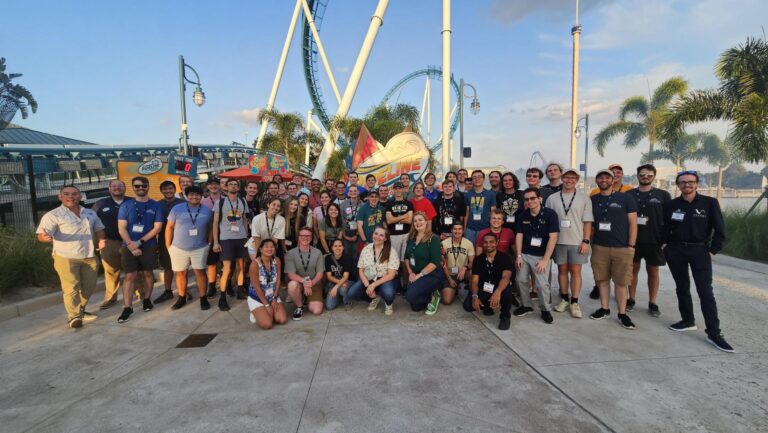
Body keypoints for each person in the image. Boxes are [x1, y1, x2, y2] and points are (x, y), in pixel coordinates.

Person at [663, 170, 732, 352]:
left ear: (697, 184)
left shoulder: (709, 203)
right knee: (682, 286)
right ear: (678, 185)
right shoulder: (671, 205)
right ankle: (687, 320)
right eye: (683, 182)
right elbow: (665, 227)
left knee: (705, 291)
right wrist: (665, 247)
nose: (687, 185)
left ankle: (714, 332)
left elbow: (720, 230)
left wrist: (712, 251)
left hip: (699, 251)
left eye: (690, 182)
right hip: (676, 250)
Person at [36, 186, 106, 328]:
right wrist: (44, 237)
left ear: (80, 196)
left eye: (74, 194)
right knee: (71, 287)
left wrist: (102, 240)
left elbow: (99, 228)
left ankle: (80, 310)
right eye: (66, 194)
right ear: (60, 197)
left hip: (89, 256)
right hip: (65, 257)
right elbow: (41, 235)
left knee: (89, 286)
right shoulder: (52, 215)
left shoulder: (90, 213)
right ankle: (73, 316)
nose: (71, 196)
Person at [588, 169, 638, 330]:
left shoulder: (625, 198)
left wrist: (631, 245)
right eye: (600, 177)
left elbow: (633, 223)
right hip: (600, 246)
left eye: (607, 177)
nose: (603, 180)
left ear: (613, 180)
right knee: (602, 279)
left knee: (621, 282)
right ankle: (604, 308)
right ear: (597, 180)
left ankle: (622, 313)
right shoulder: (593, 199)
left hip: (622, 247)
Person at [545, 168, 593, 319]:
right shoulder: (552, 198)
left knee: (576, 272)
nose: (569, 180)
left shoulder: (584, 199)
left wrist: (585, 241)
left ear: (577, 180)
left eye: (573, 178)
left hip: (577, 241)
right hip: (558, 242)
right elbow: (547, 220)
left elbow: (587, 222)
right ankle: (565, 298)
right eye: (566, 177)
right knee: (562, 271)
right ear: (562, 178)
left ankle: (575, 302)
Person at [116, 176, 164, 323]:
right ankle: (127, 307)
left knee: (148, 274)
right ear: (133, 188)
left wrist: (140, 241)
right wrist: (131, 244)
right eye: (137, 186)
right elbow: (122, 227)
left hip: (148, 245)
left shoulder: (156, 205)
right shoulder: (126, 205)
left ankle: (147, 299)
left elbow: (157, 227)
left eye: (143, 185)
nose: (140, 188)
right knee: (130, 276)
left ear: (148, 186)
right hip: (128, 246)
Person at [629, 164, 671, 316]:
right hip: (633, 240)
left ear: (654, 176)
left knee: (653, 271)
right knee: (632, 270)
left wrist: (665, 240)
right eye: (642, 174)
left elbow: (668, 219)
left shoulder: (663, 195)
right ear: (637, 176)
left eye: (649, 175)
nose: (645, 177)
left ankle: (652, 303)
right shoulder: (630, 194)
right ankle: (631, 299)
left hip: (655, 240)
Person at [514, 188, 559, 324]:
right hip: (525, 254)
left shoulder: (550, 214)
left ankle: (545, 309)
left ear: (540, 199)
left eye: (532, 198)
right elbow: (519, 236)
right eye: (527, 199)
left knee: (542, 284)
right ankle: (526, 305)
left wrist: (545, 260)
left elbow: (553, 238)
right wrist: (519, 256)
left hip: (541, 256)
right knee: (521, 280)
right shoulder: (522, 215)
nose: (530, 201)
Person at [165, 185, 213, 310]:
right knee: (181, 273)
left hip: (200, 247)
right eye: (191, 194)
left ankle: (203, 298)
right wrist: (168, 246)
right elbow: (169, 227)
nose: (194, 197)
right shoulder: (177, 209)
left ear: (201, 196)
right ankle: (181, 297)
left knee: (200, 273)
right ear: (186, 196)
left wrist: (209, 243)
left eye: (197, 195)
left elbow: (211, 228)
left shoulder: (207, 210)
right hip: (178, 248)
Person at [464, 232, 514, 330]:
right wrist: (475, 296)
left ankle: (505, 317)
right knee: (468, 306)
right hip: (484, 288)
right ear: (482, 243)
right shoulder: (478, 259)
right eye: (485, 242)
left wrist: (498, 292)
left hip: (498, 288)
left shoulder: (505, 258)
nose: (488, 245)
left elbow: (506, 277)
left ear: (497, 243)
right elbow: (474, 281)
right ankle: (487, 305)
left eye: (491, 242)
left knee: (507, 291)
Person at [212, 179, 249, 309]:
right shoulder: (220, 202)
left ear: (238, 188)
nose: (233, 186)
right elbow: (215, 223)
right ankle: (222, 297)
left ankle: (240, 291)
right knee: (227, 268)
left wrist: (247, 237)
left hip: (241, 238)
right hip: (226, 238)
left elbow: (244, 220)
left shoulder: (243, 201)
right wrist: (216, 242)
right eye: (230, 185)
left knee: (240, 266)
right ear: (226, 187)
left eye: (235, 185)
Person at [346, 227, 400, 314]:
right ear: (372, 235)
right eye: (376, 234)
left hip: (384, 279)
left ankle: (388, 303)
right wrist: (368, 286)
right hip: (369, 278)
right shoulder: (366, 249)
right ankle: (374, 298)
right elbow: (361, 270)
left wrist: (373, 285)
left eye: (381, 235)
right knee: (352, 293)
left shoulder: (391, 251)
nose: (377, 237)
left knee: (388, 294)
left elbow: (391, 275)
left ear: (385, 238)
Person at [92, 179, 125, 310]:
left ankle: (141, 293)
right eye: (114, 186)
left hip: (129, 242)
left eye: (120, 186)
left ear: (125, 188)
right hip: (109, 241)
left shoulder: (131, 201)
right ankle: (111, 298)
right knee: (111, 270)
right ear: (109, 189)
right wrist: (98, 241)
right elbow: (92, 222)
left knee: (134, 269)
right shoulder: (100, 203)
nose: (117, 188)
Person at [404, 212, 445, 315]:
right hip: (416, 275)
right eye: (415, 221)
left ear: (426, 222)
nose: (418, 223)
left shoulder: (433, 239)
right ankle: (431, 294)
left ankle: (435, 295)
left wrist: (418, 276)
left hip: (432, 275)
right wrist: (410, 273)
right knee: (416, 306)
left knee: (410, 295)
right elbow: (406, 258)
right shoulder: (411, 238)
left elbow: (435, 263)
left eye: (420, 220)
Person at [154, 180, 186, 304]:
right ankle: (168, 291)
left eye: (170, 188)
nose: (168, 191)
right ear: (162, 191)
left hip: (181, 239)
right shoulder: (157, 205)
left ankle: (183, 289)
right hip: (164, 240)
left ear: (174, 189)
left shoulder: (183, 203)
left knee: (182, 268)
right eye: (165, 189)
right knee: (168, 267)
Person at [285, 227, 325, 319]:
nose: (305, 238)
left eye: (308, 236)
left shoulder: (318, 252)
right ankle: (300, 306)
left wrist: (311, 283)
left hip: (314, 283)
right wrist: (304, 281)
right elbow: (291, 274)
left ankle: (306, 298)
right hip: (299, 282)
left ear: (311, 238)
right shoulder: (291, 253)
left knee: (317, 311)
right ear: (298, 237)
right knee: (292, 285)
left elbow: (320, 273)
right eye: (302, 235)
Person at [247, 239, 288, 329]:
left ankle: (265, 312)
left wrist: (274, 298)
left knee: (282, 320)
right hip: (258, 298)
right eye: (266, 247)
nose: (269, 249)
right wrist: (266, 305)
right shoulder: (254, 264)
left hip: (272, 296)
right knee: (267, 324)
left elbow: (278, 280)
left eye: (272, 247)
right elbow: (257, 287)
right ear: (260, 249)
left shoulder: (277, 260)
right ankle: (255, 312)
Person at [441, 223, 475, 305]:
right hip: (449, 273)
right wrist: (449, 279)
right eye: (455, 229)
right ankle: (453, 289)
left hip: (463, 273)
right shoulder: (444, 243)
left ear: (463, 231)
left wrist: (465, 267)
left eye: (460, 229)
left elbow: (472, 263)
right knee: (447, 301)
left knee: (472, 273)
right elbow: (443, 264)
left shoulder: (468, 243)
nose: (457, 231)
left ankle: (472, 295)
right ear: (451, 230)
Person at [386, 181, 414, 279]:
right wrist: (404, 216)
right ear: (393, 190)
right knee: (394, 260)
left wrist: (395, 218)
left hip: (406, 234)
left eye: (400, 188)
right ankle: (395, 282)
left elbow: (410, 220)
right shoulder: (389, 203)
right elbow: (389, 221)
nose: (398, 190)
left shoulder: (408, 203)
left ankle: (405, 282)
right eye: (396, 188)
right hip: (394, 235)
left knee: (404, 260)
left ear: (403, 189)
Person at [464, 170, 497, 244]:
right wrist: (465, 229)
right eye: (474, 177)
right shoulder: (467, 195)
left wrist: (492, 228)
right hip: (470, 229)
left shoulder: (491, 194)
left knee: (483, 251)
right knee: (470, 252)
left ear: (483, 179)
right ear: (472, 180)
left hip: (485, 228)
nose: (477, 179)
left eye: (479, 177)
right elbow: (466, 213)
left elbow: (493, 212)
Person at [202, 177, 222, 298]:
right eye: (211, 184)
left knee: (226, 262)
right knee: (212, 263)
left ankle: (228, 284)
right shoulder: (203, 202)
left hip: (224, 234)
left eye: (216, 184)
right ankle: (212, 285)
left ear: (219, 186)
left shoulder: (225, 199)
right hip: (209, 235)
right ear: (207, 186)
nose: (214, 186)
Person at [324, 239, 353, 310]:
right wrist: (337, 285)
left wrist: (336, 287)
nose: (337, 248)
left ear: (343, 247)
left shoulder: (347, 257)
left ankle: (347, 301)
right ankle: (340, 296)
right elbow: (329, 276)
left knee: (342, 289)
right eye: (335, 246)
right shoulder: (328, 258)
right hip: (334, 281)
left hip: (347, 281)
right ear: (332, 248)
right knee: (329, 306)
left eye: (340, 246)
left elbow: (345, 277)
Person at [339, 186, 363, 258]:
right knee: (347, 254)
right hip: (346, 232)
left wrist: (357, 234)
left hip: (358, 233)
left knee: (356, 255)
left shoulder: (362, 204)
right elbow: (341, 219)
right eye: (351, 191)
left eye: (355, 191)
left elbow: (364, 220)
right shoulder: (343, 204)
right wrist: (344, 235)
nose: (353, 193)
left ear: (358, 192)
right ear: (348, 193)